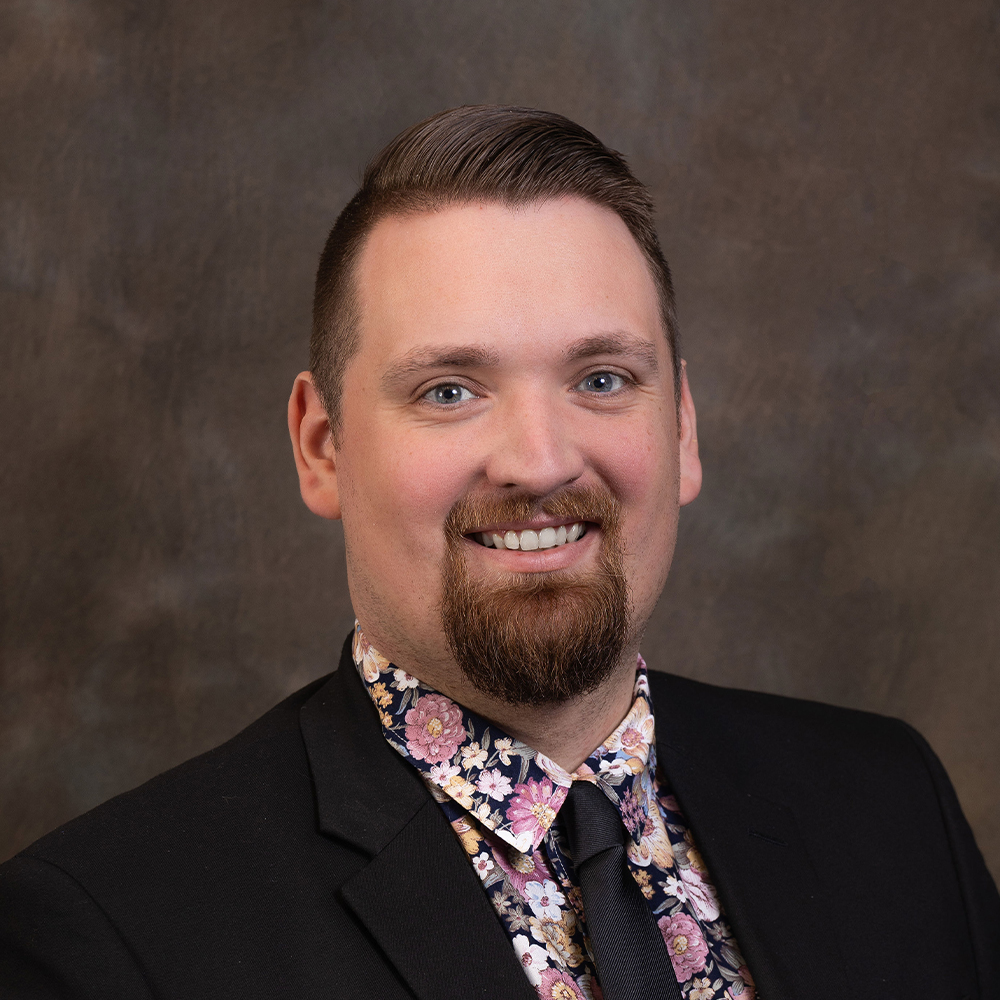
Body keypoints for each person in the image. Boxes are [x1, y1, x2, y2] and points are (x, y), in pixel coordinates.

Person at [1, 105, 997, 1000]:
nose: (540, 460)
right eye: (450, 391)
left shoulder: (888, 804)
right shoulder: (107, 936)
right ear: (321, 447)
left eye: (601, 379)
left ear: (683, 427)